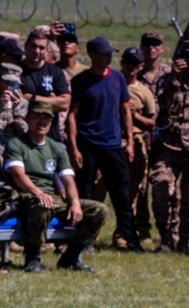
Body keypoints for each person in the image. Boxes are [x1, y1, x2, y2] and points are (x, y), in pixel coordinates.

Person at [4, 100, 109, 272]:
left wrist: (74, 202)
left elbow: (68, 179)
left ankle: (71, 257)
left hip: (52, 198)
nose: (42, 122)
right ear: (27, 118)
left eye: (47, 118)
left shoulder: (56, 148)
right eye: (37, 116)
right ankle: (33, 258)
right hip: (25, 197)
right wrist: (38, 193)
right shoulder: (17, 143)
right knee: (42, 204)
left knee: (99, 210)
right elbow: (18, 175)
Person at [66, 37, 140, 251]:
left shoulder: (117, 78)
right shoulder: (80, 81)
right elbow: (72, 115)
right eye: (104, 54)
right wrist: (74, 147)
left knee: (121, 195)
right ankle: (83, 240)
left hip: (112, 145)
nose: (109, 57)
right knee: (85, 193)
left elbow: (125, 110)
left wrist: (130, 142)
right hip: (87, 144)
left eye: (110, 53)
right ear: (92, 55)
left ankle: (130, 238)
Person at [149, 40, 189, 254]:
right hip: (169, 146)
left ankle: (184, 239)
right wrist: (173, 79)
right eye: (187, 57)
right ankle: (166, 238)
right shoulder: (166, 80)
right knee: (161, 188)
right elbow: (163, 105)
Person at [120, 47, 156, 248]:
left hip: (134, 139)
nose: (131, 67)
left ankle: (123, 234)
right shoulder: (112, 83)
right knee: (99, 187)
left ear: (141, 66)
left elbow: (152, 124)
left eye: (135, 63)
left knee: (131, 192)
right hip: (110, 140)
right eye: (128, 62)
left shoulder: (144, 92)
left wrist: (135, 116)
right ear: (122, 63)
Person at [19, 27, 70, 143]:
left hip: (51, 137)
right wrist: (51, 101)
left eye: (41, 48)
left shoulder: (55, 72)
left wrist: (33, 98)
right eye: (33, 46)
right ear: (26, 46)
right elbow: (16, 104)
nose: (37, 51)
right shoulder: (17, 71)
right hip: (22, 136)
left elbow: (65, 103)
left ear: (47, 50)